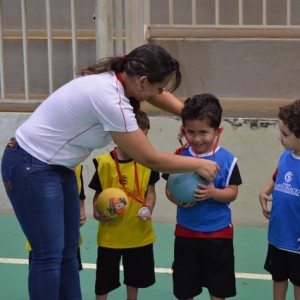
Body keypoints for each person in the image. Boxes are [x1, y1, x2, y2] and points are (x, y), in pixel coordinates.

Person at [1, 43, 219, 300]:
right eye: (159, 87)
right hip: (31, 165)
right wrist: (199, 163)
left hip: (57, 167)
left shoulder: (120, 81)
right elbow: (149, 158)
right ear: (142, 81)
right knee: (48, 254)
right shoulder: (111, 99)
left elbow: (153, 95)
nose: (159, 93)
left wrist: (194, 117)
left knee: (68, 250)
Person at [163, 94, 242, 300]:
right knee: (184, 287)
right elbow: (169, 189)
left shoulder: (227, 160)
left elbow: (232, 192)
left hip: (218, 234)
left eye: (203, 132)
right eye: (191, 132)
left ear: (217, 131)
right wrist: (176, 199)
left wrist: (214, 193)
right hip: (186, 233)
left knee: (218, 287)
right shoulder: (178, 158)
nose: (197, 138)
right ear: (183, 130)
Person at [89, 110, 158, 300]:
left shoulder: (148, 162)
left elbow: (150, 193)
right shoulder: (104, 163)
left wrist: (148, 207)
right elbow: (97, 197)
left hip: (138, 233)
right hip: (110, 236)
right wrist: (97, 213)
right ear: (119, 135)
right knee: (103, 280)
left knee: (134, 278)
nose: (141, 144)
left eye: (144, 138)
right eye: (136, 138)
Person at [259, 100, 300, 300]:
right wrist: (264, 192)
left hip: (297, 243)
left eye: (285, 134)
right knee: (278, 279)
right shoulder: (285, 157)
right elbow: (277, 177)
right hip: (277, 237)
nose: (280, 138)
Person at [26, 164, 86, 271]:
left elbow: (80, 192)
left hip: (70, 235)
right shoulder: (36, 165)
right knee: (45, 275)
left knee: (69, 275)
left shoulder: (77, 164)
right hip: (43, 238)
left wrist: (81, 209)